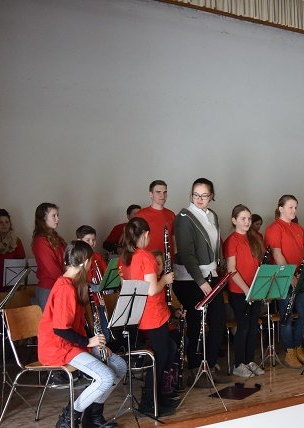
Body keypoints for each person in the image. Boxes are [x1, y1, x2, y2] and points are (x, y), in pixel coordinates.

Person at [38, 241, 127, 428]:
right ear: (85, 262)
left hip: (74, 344)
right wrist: (89, 341)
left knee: (119, 366)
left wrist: (94, 342)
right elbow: (61, 329)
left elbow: (75, 325)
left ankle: (93, 417)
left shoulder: (73, 284)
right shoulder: (65, 288)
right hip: (59, 347)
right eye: (90, 262)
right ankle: (69, 418)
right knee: (105, 377)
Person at [173, 178, 230, 385]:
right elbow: (187, 254)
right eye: (196, 195)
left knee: (218, 321)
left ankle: (210, 365)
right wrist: (200, 281)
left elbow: (215, 246)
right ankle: (195, 370)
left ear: (211, 196)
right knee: (197, 324)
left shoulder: (212, 215)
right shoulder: (184, 217)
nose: (199, 199)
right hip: (191, 279)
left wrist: (218, 268)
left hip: (210, 275)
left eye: (204, 195)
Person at [119, 217, 178, 416]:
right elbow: (152, 290)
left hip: (138, 313)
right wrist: (165, 279)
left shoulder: (125, 257)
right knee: (160, 357)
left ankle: (157, 398)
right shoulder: (145, 256)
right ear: (145, 235)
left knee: (167, 350)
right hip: (153, 314)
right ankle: (149, 403)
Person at [264, 194, 304, 368]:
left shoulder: (299, 228)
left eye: (295, 207)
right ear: (281, 208)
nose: (294, 210)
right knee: (287, 315)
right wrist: (290, 276)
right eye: (290, 207)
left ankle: (297, 346)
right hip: (284, 278)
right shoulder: (274, 228)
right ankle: (289, 351)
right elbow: (277, 254)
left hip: (300, 277)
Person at [224, 204, 265, 377]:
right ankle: (238, 364)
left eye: (249, 218)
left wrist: (258, 288)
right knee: (244, 327)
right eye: (243, 219)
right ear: (234, 220)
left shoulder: (254, 238)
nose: (247, 222)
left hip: (255, 289)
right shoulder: (232, 240)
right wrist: (247, 289)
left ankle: (249, 361)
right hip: (240, 291)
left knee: (253, 327)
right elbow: (231, 270)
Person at [32, 202, 66, 310]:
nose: (57, 219)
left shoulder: (56, 237)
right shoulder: (41, 241)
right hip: (49, 288)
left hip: (60, 285)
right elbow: (52, 269)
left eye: (58, 215)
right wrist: (68, 281)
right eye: (54, 216)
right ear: (44, 218)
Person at [0, 209, 26, 291]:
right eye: (0, 222)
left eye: (7, 222)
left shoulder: (16, 241)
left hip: (11, 285)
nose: (4, 225)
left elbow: (21, 264)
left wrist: (14, 286)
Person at [134, 180, 176, 255]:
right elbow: (133, 240)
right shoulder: (140, 215)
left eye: (165, 192)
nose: (162, 195)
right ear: (151, 194)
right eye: (158, 192)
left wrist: (176, 254)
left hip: (168, 260)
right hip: (148, 259)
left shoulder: (171, 214)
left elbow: (173, 237)